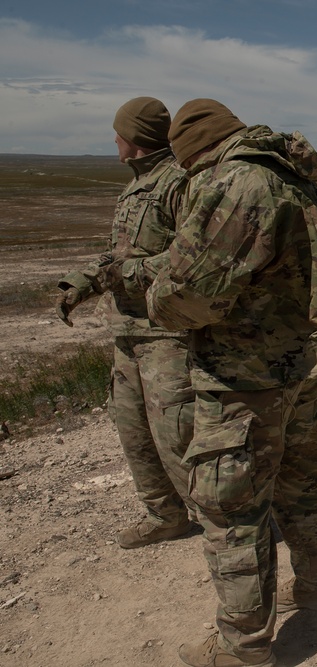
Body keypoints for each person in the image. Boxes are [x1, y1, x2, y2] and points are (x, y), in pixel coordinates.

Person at [146, 99, 317, 667]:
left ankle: (243, 649)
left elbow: (186, 296)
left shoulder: (237, 182)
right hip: (299, 367)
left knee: (232, 510)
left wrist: (159, 292)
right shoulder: (289, 173)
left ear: (195, 152)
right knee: (303, 482)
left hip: (244, 377)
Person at [55, 97, 195, 549]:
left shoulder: (178, 183)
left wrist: (123, 275)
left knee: (179, 435)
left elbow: (188, 261)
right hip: (127, 333)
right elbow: (121, 257)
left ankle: (229, 524)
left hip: (166, 334)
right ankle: (164, 514)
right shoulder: (135, 187)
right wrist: (83, 283)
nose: (112, 140)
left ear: (132, 137)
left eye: (117, 132)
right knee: (133, 431)